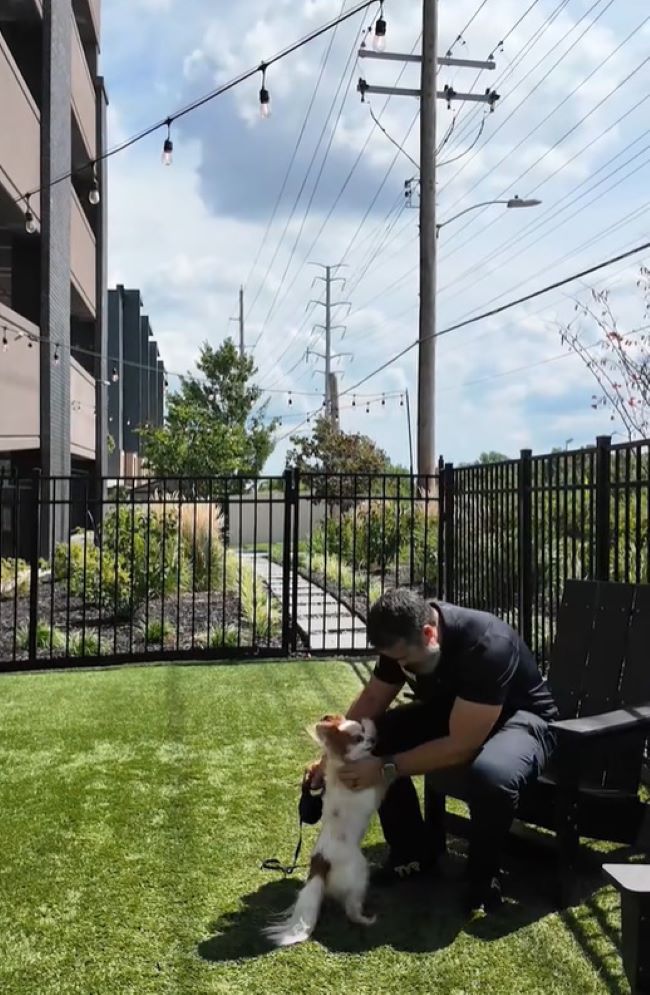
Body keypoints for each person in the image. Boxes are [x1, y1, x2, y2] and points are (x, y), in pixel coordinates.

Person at [306, 588, 558, 912]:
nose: (401, 667)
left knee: (491, 774)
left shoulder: (486, 645)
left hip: (522, 720)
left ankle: (482, 880)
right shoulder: (403, 634)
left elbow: (461, 746)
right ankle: (412, 854)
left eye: (405, 661)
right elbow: (372, 701)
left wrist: (385, 767)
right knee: (374, 736)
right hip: (461, 709)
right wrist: (331, 756)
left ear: (429, 633)